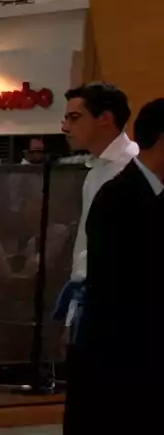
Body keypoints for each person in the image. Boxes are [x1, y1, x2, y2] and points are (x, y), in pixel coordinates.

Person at [62, 96, 164, 435]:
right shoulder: (119, 196)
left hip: (142, 353)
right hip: (117, 351)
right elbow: (118, 283)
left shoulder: (143, 190)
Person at [51, 82, 136, 342]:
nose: (65, 127)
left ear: (105, 118)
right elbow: (84, 247)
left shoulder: (135, 168)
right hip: (93, 303)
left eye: (75, 118)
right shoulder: (95, 172)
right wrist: (73, 316)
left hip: (126, 307)